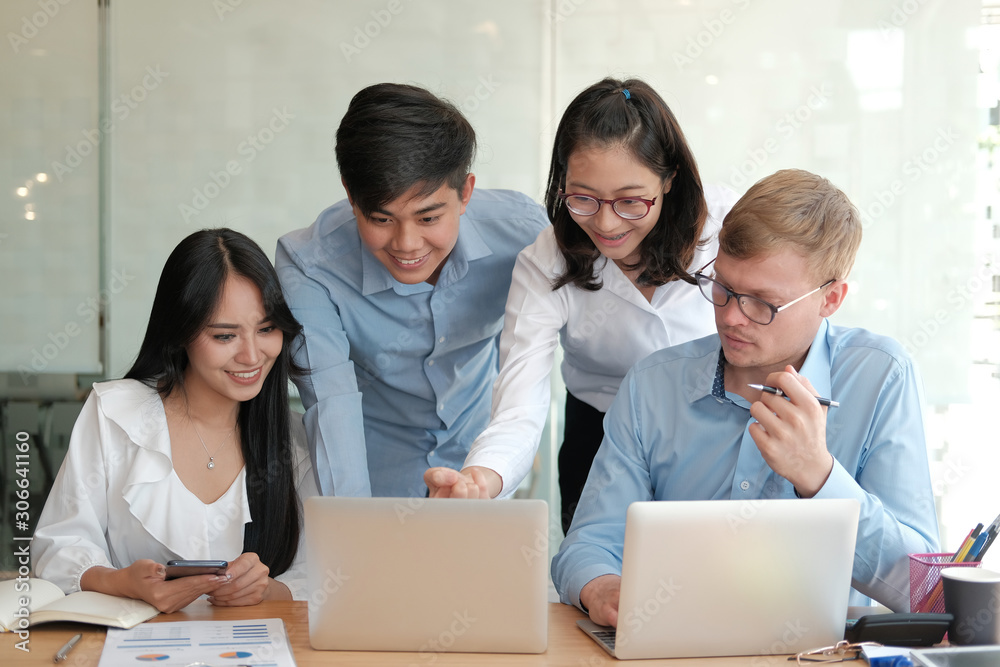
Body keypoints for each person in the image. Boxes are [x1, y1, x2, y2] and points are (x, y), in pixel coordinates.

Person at [551, 169, 939, 619]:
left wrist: (819, 476)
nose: (732, 317)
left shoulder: (882, 377)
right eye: (723, 288)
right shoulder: (652, 385)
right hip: (672, 648)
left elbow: (924, 591)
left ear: (830, 299)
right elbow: (589, 543)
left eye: (762, 302)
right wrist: (600, 586)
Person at [424, 78, 738, 529]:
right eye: (583, 198)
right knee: (596, 579)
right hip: (599, 433)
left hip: (717, 429)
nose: (607, 223)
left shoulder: (726, 227)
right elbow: (520, 405)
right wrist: (481, 478)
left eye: (631, 201)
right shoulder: (546, 261)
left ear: (669, 179)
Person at [275, 83, 549, 498]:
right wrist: (355, 526)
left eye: (428, 218)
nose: (406, 244)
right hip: (373, 478)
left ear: (465, 193)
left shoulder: (525, 234)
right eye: (381, 220)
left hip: (487, 472)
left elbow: (537, 363)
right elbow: (330, 403)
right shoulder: (310, 265)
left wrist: (491, 473)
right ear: (352, 198)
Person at [33, 228, 317, 613]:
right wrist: (123, 582)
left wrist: (266, 590)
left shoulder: (293, 437)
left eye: (267, 329)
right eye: (224, 336)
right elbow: (58, 548)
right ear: (181, 332)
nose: (252, 355)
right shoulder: (115, 415)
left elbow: (322, 575)